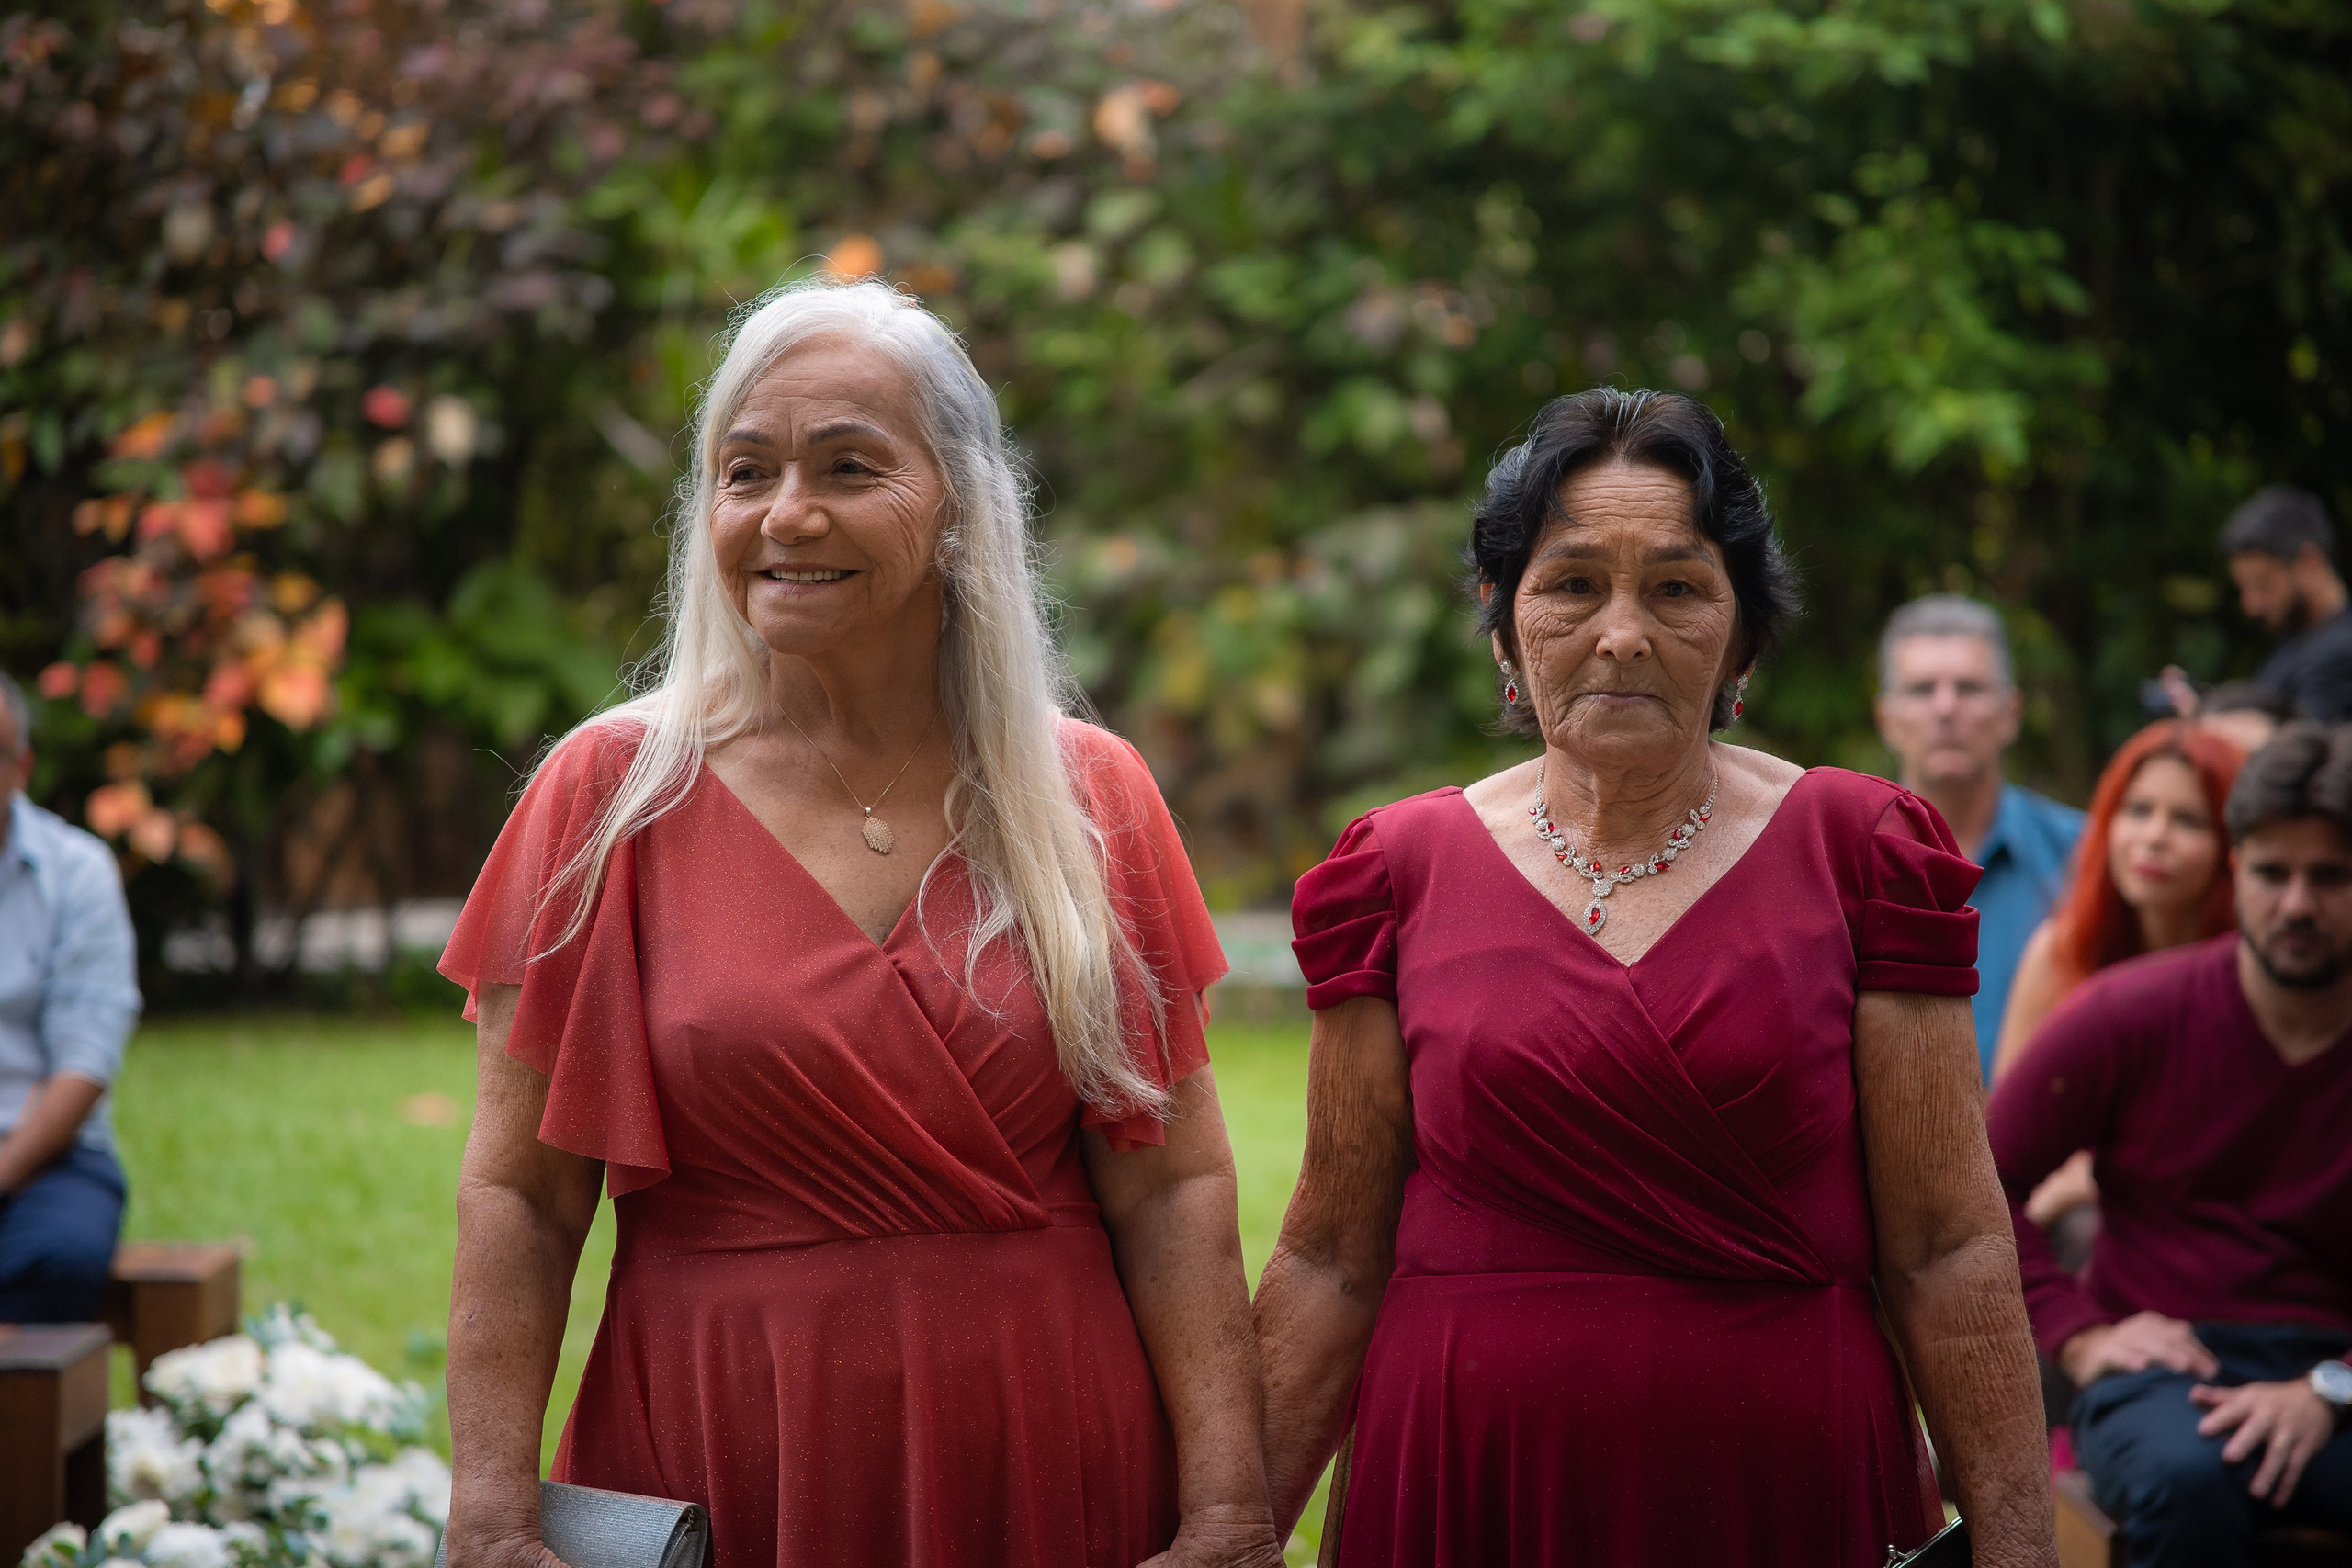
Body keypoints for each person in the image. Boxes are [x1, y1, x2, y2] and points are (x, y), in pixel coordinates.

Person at [439, 281, 1283, 1568]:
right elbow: (520, 1195)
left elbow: (1172, 1187)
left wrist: (1229, 1510)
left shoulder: (1089, 796)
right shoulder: (609, 798)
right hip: (727, 1435)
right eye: (746, 471)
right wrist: (493, 1515)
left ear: (959, 507)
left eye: (848, 466)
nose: (787, 514)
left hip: (1045, 1443)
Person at [1254, 389, 2055, 1566]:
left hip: (1775, 1494)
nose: (1621, 634)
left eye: (1675, 588)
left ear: (1741, 640)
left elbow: (1947, 1247)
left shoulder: (1861, 855)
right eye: (1573, 584)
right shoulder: (1396, 871)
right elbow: (1329, 1257)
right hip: (1472, 1486)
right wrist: (1228, 1527)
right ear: (1503, 627)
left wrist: (2020, 1547)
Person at [1987, 723, 2352, 1566]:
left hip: (2336, 1365)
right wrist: (2080, 1334)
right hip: (2160, 1368)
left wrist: (2330, 1386)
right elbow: (1976, 1180)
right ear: (2237, 870)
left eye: (2331, 876)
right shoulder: (2130, 1012)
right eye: (2273, 873)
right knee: (2187, 1480)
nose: (2298, 904)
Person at [1874, 594, 2085, 1079]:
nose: (1946, 708)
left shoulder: (2084, 857)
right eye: (1922, 690)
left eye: (1968, 688)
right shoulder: (1837, 864)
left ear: (2011, 712)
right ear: (1887, 719)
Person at [0, 670, 141, 1321]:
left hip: (49, 1155)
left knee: (60, 1256)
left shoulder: (76, 873)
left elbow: (83, 1067)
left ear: (21, 767)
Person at [2222, 486, 2352, 722]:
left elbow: (2304, 740)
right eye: (2244, 588)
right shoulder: (2295, 643)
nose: (2251, 606)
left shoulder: (2342, 653)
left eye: (2264, 584)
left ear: (2310, 562)